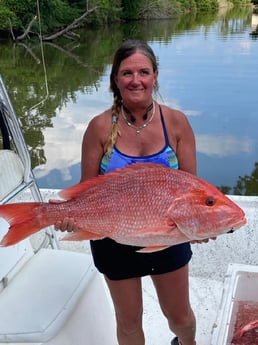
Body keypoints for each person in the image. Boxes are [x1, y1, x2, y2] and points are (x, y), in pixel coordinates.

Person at [55, 39, 197, 345]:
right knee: (129, 323)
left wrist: (204, 224)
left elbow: (192, 191)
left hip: (167, 237)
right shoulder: (99, 128)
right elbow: (84, 193)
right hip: (113, 238)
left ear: (155, 76)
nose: (136, 80)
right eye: (127, 73)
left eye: (143, 72)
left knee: (180, 317)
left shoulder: (177, 123)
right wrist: (71, 217)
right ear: (115, 80)